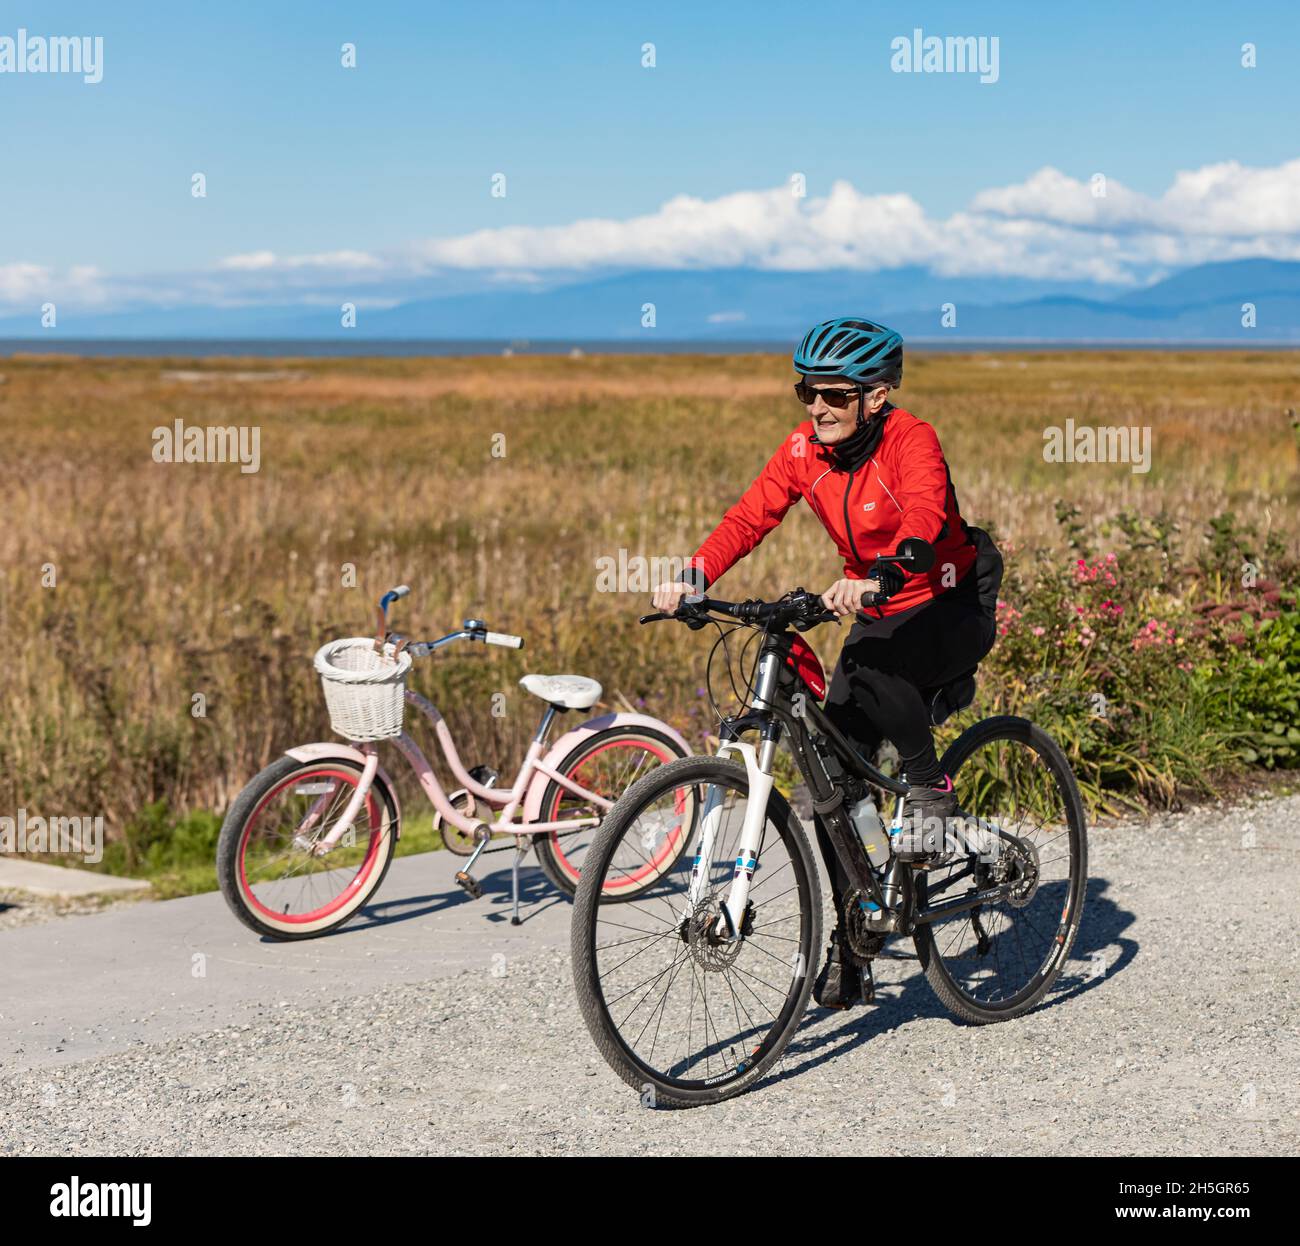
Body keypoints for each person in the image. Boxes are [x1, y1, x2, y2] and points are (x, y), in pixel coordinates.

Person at [650, 317, 1003, 1008]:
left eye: (835, 395)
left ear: (876, 396)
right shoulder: (804, 449)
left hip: (949, 598)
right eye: (807, 392)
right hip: (878, 602)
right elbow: (749, 517)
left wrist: (885, 570)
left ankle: (929, 787)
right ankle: (856, 944)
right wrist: (695, 574)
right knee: (832, 778)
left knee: (872, 666)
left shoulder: (911, 439)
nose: (818, 408)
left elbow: (926, 514)